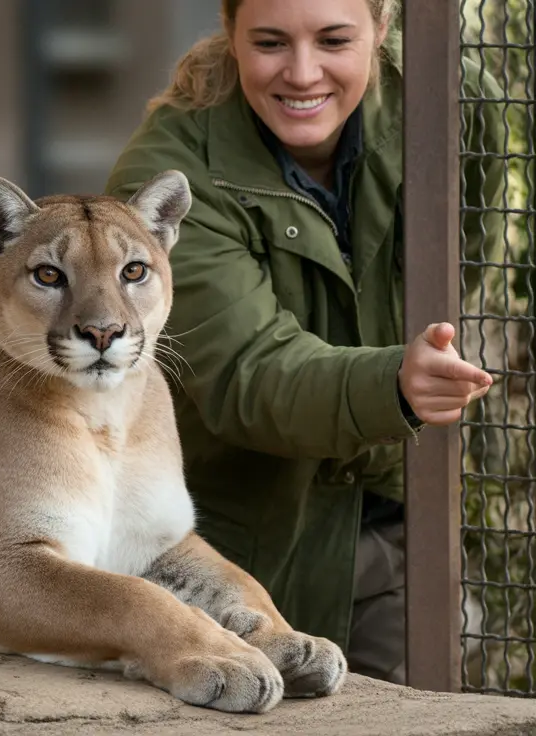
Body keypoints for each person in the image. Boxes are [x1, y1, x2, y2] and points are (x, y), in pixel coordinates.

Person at [103, 0, 505, 685]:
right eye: (269, 42)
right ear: (230, 35)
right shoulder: (168, 178)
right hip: (236, 555)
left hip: (403, 517)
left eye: (334, 39)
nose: (302, 72)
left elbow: (470, 243)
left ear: (383, 30)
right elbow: (245, 374)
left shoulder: (452, 100)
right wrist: (395, 386)